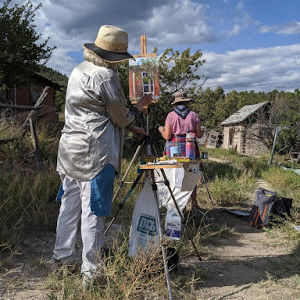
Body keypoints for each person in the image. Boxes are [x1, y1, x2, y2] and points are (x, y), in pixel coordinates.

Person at [52, 25, 152, 283]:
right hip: (95, 153)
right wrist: (138, 109)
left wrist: (131, 124)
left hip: (70, 150)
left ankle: (62, 257)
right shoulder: (107, 77)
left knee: (69, 207)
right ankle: (91, 272)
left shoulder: (78, 70)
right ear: (114, 57)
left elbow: (95, 109)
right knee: (94, 212)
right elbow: (119, 115)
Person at [158, 91, 203, 209]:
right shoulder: (193, 115)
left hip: (175, 149)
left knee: (174, 176)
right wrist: (201, 131)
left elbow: (167, 136)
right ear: (187, 102)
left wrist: (161, 130)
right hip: (190, 148)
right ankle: (194, 203)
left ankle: (174, 204)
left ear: (175, 103)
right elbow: (199, 135)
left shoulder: (171, 115)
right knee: (191, 174)